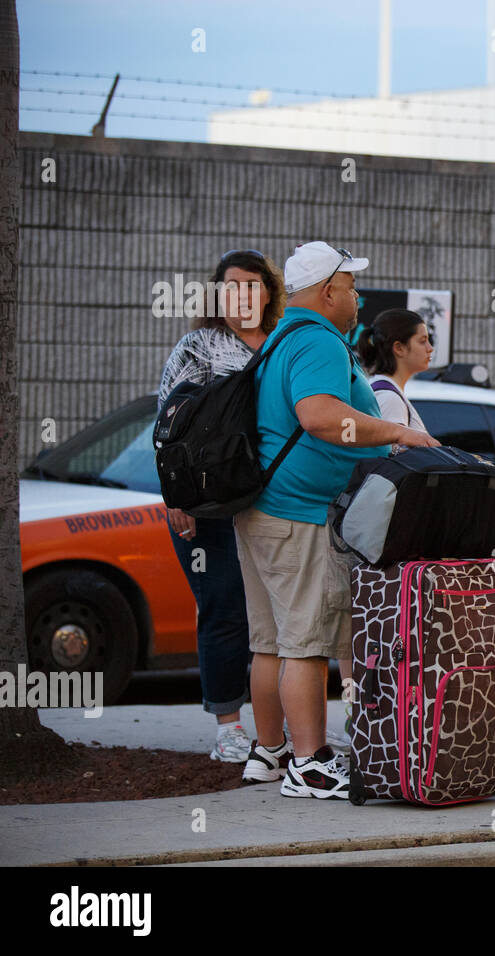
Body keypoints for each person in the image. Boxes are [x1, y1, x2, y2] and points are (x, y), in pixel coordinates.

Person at [234, 241, 437, 798]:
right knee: (304, 644)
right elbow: (319, 415)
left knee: (269, 643)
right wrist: (397, 432)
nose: (357, 297)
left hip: (262, 510)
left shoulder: (279, 337)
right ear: (328, 291)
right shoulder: (319, 340)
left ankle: (270, 752)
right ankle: (310, 764)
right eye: (350, 286)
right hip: (299, 514)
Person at [158, 249, 284, 762]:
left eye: (252, 285)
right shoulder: (198, 345)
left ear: (269, 292)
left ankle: (280, 730)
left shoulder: (282, 343)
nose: (242, 295)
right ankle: (229, 727)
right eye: (231, 286)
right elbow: (167, 423)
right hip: (206, 504)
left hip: (272, 500)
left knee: (277, 617)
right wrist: (178, 499)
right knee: (223, 608)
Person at [357, 308, 437, 440]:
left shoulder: (387, 392)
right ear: (399, 348)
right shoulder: (389, 398)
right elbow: (389, 457)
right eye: (422, 341)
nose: (430, 348)